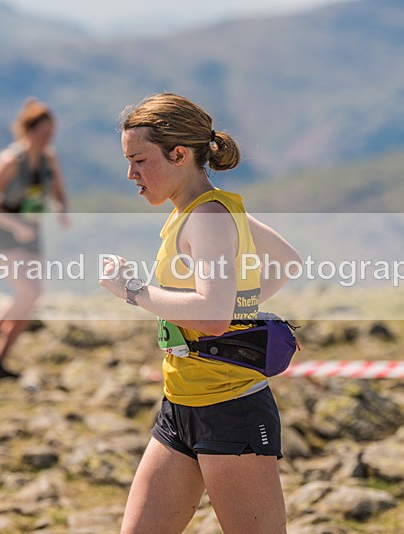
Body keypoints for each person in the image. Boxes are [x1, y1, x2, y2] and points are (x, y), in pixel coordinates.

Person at [100, 93, 299, 533]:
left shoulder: (207, 215)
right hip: (181, 405)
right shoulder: (196, 211)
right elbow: (287, 261)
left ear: (179, 154)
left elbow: (211, 315)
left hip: (231, 409)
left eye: (139, 160)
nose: (130, 174)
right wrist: (238, 307)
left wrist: (132, 291)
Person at [0, 98, 69, 379]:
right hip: (6, 235)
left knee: (29, 298)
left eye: (51, 133)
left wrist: (62, 210)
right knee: (30, 291)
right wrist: (14, 225)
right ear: (28, 130)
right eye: (42, 133)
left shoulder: (49, 159)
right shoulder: (9, 160)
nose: (47, 138)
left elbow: (58, 191)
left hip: (32, 234)